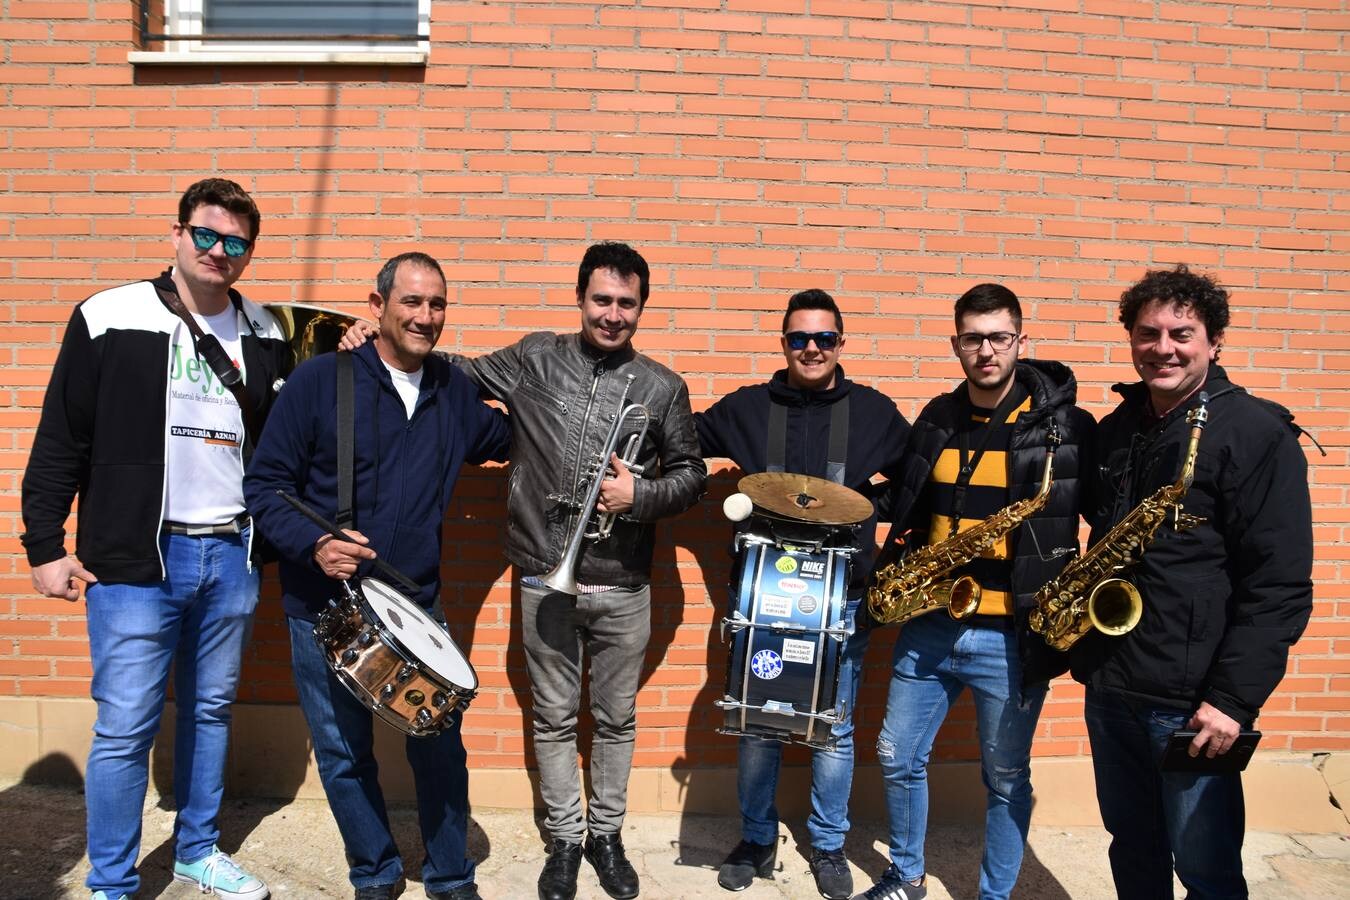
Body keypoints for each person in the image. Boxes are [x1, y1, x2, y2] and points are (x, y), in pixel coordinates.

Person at [341, 241, 705, 900]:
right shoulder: (536, 357)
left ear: (642, 307)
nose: (613, 314)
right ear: (580, 298)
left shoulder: (662, 387)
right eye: (602, 299)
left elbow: (691, 474)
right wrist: (376, 339)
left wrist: (641, 497)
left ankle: (608, 836)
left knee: (617, 720)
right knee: (554, 717)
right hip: (545, 574)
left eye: (627, 303)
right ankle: (566, 839)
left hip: (624, 584)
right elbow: (451, 371)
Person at [20, 178, 285, 900]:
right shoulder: (109, 316)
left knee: (209, 711)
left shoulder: (265, 331)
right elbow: (61, 438)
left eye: (235, 242)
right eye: (206, 234)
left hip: (230, 553)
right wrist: (45, 544)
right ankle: (112, 880)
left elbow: (285, 434)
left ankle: (198, 850)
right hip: (136, 560)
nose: (218, 251)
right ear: (177, 234)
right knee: (126, 725)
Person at [243, 252, 510, 900]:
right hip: (322, 604)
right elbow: (264, 485)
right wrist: (314, 545)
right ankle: (376, 872)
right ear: (377, 305)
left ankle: (450, 878)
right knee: (342, 752)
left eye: (437, 304)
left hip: (416, 604)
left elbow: (520, 437)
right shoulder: (319, 382)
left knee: (440, 749)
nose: (425, 315)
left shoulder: (454, 393)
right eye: (411, 302)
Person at [1069, 264, 1313, 898]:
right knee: (1134, 849)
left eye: (1182, 333)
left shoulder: (1257, 434)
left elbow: (1279, 585)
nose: (1163, 348)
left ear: (1214, 341)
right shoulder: (1119, 429)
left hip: (1193, 701)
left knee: (1205, 869)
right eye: (1148, 334)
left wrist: (1233, 700)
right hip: (1113, 685)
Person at [857, 284, 1095, 900]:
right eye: (973, 338)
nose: (986, 350)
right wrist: (833, 497)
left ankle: (993, 896)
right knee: (895, 754)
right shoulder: (937, 416)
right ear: (956, 344)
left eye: (999, 337)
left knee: (1007, 778)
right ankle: (906, 876)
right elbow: (905, 496)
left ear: (1021, 339)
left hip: (1011, 636)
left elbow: (1106, 509)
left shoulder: (1065, 428)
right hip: (932, 621)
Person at [694, 289, 910, 900]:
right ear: (783, 343)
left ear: (842, 344)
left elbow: (914, 482)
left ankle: (829, 845)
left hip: (842, 598)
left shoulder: (872, 411)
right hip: (765, 596)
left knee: (834, 728)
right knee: (761, 722)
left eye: (824, 339)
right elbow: (683, 442)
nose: (811, 349)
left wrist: (865, 516)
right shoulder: (747, 408)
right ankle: (758, 838)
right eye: (798, 338)